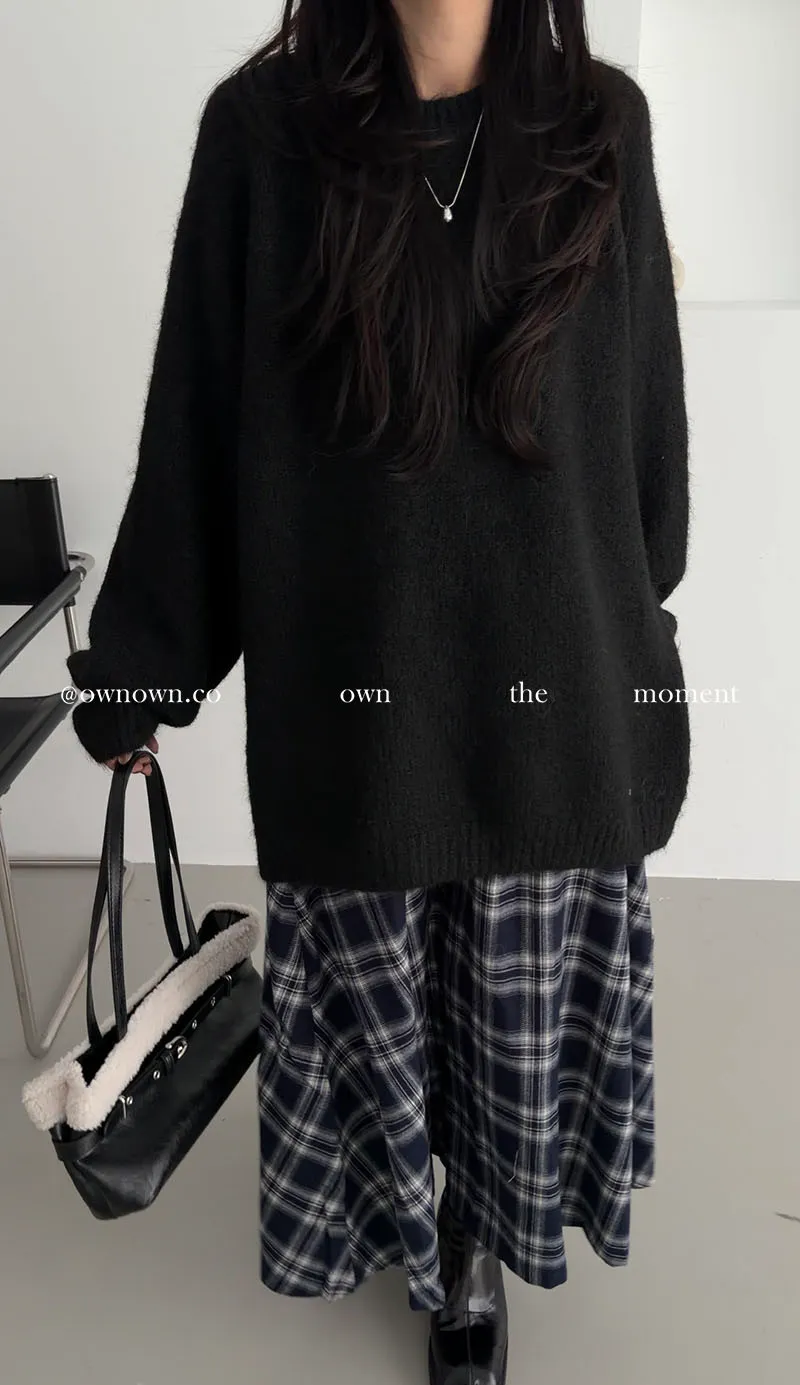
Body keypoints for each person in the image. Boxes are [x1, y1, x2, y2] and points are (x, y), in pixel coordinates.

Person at [66, 1, 690, 1381]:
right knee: (383, 1003)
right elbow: (198, 420)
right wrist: (144, 663)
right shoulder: (264, 135)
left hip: (558, 690)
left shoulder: (602, 127)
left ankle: (479, 1247)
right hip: (359, 696)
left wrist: (640, 614)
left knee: (514, 1012)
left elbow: (646, 413)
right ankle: (429, 1244)